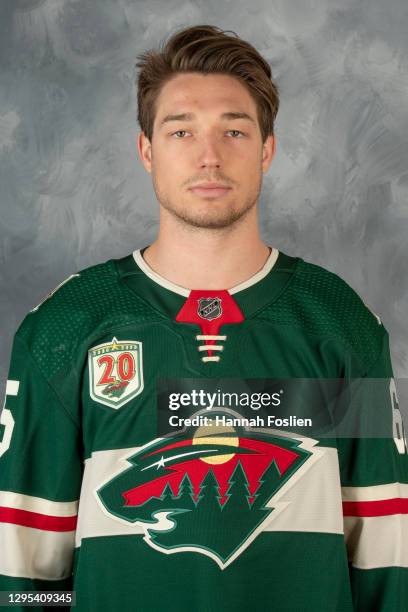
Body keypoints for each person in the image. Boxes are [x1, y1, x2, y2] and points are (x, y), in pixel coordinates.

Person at [0, 24, 407, 612]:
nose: (209, 155)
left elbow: (386, 560)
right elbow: (22, 567)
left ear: (267, 148)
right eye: (182, 130)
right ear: (147, 150)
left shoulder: (341, 322)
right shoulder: (66, 326)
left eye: (234, 131)